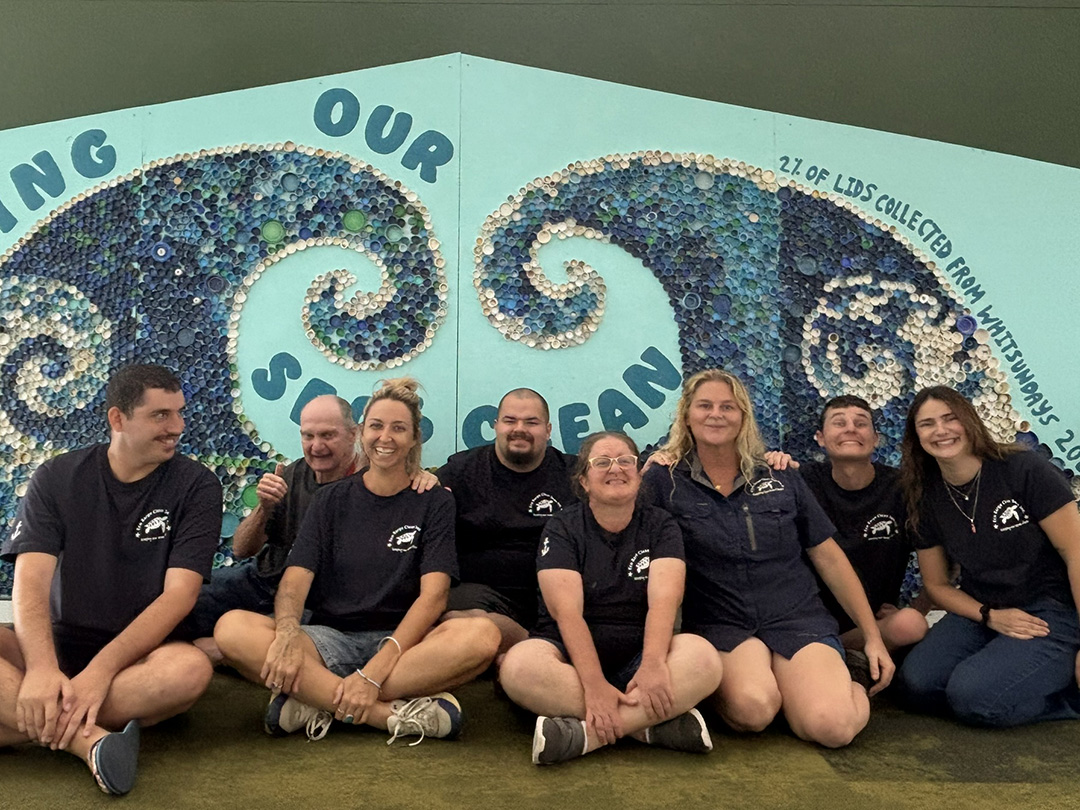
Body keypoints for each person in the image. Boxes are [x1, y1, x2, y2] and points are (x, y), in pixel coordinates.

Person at [214, 378, 500, 744]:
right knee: (232, 629)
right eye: (377, 426)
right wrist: (287, 632)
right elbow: (295, 581)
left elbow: (434, 598)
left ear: (414, 438)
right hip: (327, 639)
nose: (386, 437)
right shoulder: (330, 499)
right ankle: (389, 716)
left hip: (403, 646)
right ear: (362, 433)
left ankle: (315, 700)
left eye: (399, 428)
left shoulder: (435, 501)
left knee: (482, 635)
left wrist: (373, 674)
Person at [0, 364, 222, 795]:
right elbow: (30, 580)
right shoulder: (57, 477)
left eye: (179, 413)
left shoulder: (197, 485)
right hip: (58, 643)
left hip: (140, 659)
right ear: (117, 419)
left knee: (191, 670)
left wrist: (100, 671)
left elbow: (180, 597)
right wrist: (44, 669)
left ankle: (21, 722)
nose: (176, 427)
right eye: (160, 415)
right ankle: (90, 741)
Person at [642, 369, 894, 748]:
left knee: (833, 728)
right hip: (721, 623)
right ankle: (776, 688)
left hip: (797, 619)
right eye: (705, 406)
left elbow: (830, 559)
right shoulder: (664, 480)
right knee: (753, 710)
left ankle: (850, 675)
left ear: (743, 416)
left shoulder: (780, 474)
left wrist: (872, 638)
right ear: (687, 415)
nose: (716, 414)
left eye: (728, 407)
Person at [499, 431, 722, 764]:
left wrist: (652, 664)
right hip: (569, 661)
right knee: (518, 667)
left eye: (625, 461)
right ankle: (649, 726)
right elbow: (567, 614)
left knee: (704, 658)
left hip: (640, 659)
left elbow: (664, 602)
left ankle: (586, 735)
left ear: (638, 471)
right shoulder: (562, 527)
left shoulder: (661, 525)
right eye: (601, 462)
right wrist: (593, 685)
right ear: (584, 481)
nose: (615, 469)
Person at [189, 394, 437, 662]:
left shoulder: (371, 483)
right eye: (308, 436)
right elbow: (241, 549)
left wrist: (425, 477)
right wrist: (264, 508)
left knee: (266, 631)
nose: (316, 446)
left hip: (317, 599)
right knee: (187, 597)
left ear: (354, 434)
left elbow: (408, 476)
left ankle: (221, 651)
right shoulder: (292, 474)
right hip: (264, 579)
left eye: (328, 435)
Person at [897, 385, 1080, 727]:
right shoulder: (924, 494)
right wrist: (989, 615)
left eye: (950, 418)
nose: (941, 430)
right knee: (917, 686)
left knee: (974, 698)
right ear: (915, 436)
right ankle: (1010, 670)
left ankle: (1068, 690)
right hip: (984, 608)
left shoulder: (1023, 469)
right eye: (927, 424)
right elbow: (937, 585)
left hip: (1051, 610)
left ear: (970, 420)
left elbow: (1077, 553)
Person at [439, 388, 576, 658]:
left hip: (554, 598)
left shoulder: (575, 474)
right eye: (510, 421)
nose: (519, 429)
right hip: (481, 598)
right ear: (496, 426)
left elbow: (621, 481)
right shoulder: (460, 471)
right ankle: (530, 647)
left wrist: (655, 464)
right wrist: (423, 482)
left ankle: (523, 649)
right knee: (453, 617)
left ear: (548, 430)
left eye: (531, 422)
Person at [793, 396, 928, 665]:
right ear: (820, 437)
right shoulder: (800, 481)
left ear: (875, 438)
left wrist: (917, 607)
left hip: (872, 625)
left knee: (911, 624)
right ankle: (834, 652)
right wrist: (771, 463)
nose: (850, 429)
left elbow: (940, 561)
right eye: (839, 422)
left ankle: (843, 650)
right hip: (810, 622)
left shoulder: (903, 488)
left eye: (861, 423)